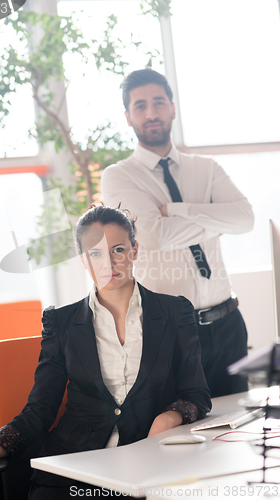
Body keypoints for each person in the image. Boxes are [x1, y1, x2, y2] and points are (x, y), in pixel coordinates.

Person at [0, 205, 211, 500]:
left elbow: (197, 394)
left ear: (134, 250)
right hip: (73, 468)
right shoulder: (61, 323)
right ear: (83, 259)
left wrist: (170, 416)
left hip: (148, 461)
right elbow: (39, 411)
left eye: (117, 249)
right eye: (96, 253)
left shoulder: (174, 311)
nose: (109, 263)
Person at [101, 68, 255, 398]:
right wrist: (215, 222)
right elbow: (154, 237)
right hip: (173, 331)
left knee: (239, 426)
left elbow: (244, 219)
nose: (151, 112)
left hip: (228, 324)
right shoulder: (118, 177)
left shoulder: (207, 168)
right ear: (127, 117)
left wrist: (178, 211)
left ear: (173, 107)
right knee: (182, 433)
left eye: (159, 102)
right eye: (140, 106)